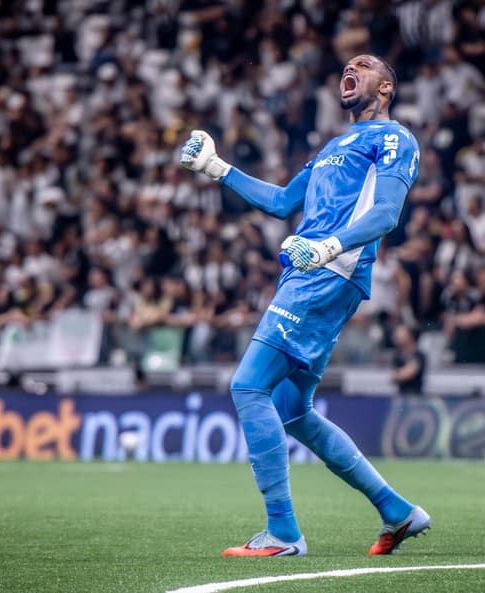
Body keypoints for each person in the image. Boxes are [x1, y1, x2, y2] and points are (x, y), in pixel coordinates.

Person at [180, 54, 428, 557]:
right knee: (293, 411)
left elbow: (385, 213)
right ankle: (398, 511)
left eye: (365, 64)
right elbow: (280, 202)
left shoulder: (395, 138)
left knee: (248, 385)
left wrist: (326, 248)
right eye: (347, 65)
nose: (350, 67)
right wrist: (217, 167)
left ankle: (283, 532)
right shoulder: (334, 147)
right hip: (309, 269)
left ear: (386, 88)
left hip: (326, 271)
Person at [391, 326, 426, 395]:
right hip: (401, 395)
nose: (397, 337)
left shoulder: (419, 355)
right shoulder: (397, 356)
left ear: (410, 336)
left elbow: (409, 373)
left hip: (415, 396)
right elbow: (392, 377)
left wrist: (400, 374)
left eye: (401, 335)